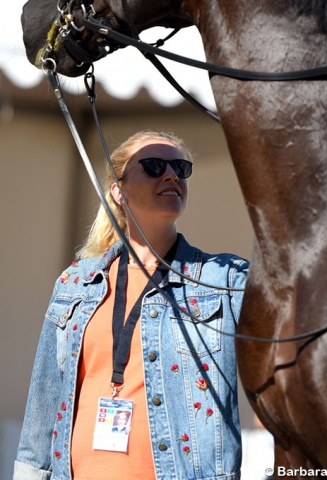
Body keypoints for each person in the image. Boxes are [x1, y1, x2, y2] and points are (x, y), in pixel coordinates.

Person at [14, 130, 249, 480]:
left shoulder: (224, 280)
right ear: (118, 191)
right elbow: (43, 404)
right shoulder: (75, 282)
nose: (171, 175)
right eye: (154, 166)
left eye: (180, 168)